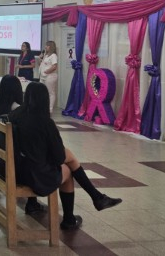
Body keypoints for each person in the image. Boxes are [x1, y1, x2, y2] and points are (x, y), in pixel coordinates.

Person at [9, 82, 122, 230]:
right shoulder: (45, 122)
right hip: (35, 176)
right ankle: (71, 218)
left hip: (17, 170)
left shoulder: (15, 115)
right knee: (68, 170)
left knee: (66, 157)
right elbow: (58, 158)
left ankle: (96, 198)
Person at [0, 75, 45, 215]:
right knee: (31, 157)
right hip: (0, 158)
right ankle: (32, 203)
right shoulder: (16, 109)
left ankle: (33, 202)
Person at [39, 41, 58, 113]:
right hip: (43, 77)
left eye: (47, 45)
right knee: (42, 92)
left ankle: (50, 109)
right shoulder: (46, 55)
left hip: (50, 76)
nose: (45, 47)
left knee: (51, 93)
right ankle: (43, 107)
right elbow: (40, 64)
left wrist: (47, 71)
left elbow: (54, 66)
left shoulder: (53, 56)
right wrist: (40, 58)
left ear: (50, 47)